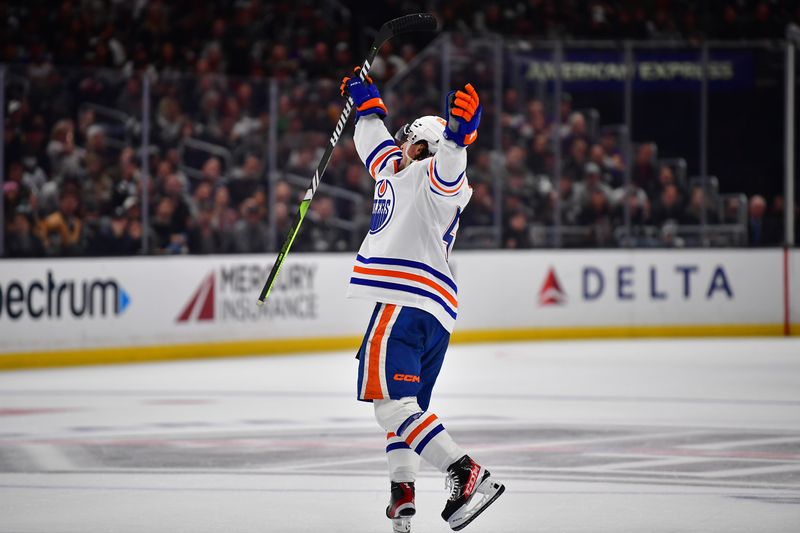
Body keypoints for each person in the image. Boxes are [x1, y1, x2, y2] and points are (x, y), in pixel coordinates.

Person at [340, 68, 505, 533]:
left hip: (404, 300)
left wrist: (458, 138)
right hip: (432, 311)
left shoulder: (434, 180)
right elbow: (373, 141)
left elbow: (451, 166)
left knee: (390, 406)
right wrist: (365, 102)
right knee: (406, 407)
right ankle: (403, 490)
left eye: (406, 142)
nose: (397, 147)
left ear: (421, 148)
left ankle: (464, 471)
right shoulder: (398, 171)